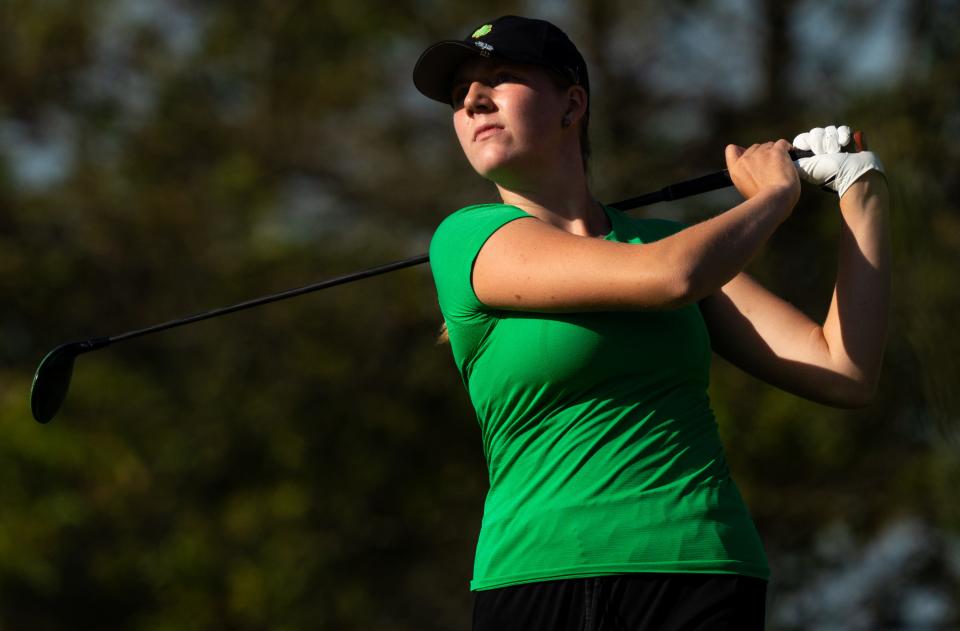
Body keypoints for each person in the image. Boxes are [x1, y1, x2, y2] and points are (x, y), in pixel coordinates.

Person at [412, 15, 889, 631]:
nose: (474, 99)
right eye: (460, 96)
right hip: (538, 578)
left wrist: (863, 194)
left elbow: (843, 369)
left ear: (571, 104)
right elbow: (670, 278)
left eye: (500, 78)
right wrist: (772, 197)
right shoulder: (465, 240)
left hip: (703, 569)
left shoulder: (663, 242)